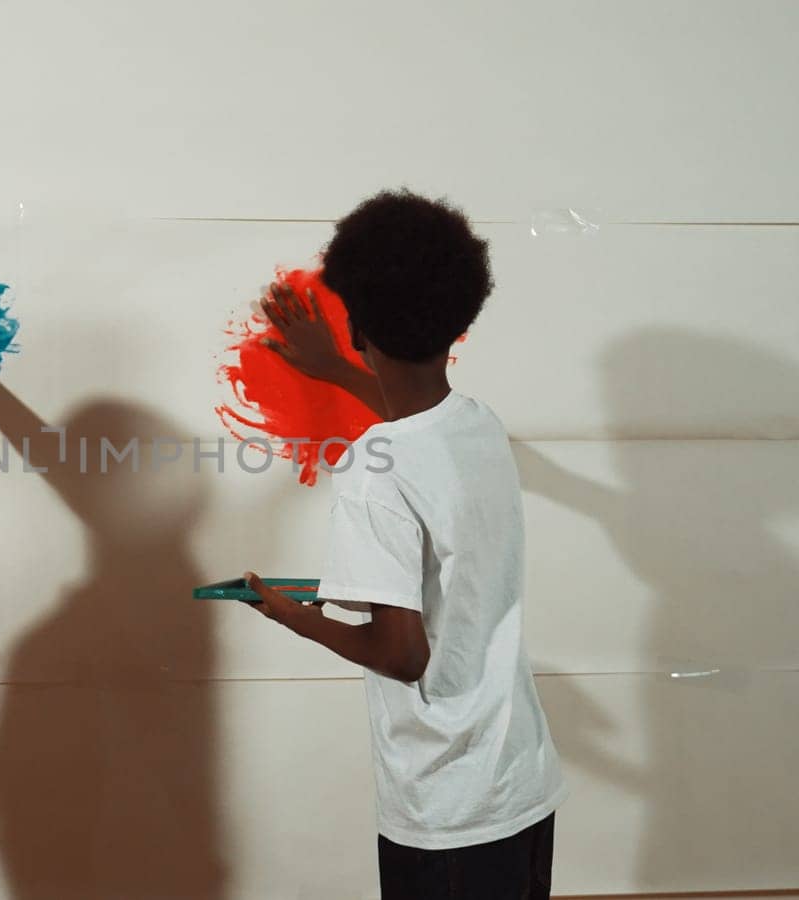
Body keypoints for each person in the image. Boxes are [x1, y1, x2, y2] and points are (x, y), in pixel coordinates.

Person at [245, 189, 567, 899]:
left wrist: (295, 616)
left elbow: (401, 653)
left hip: (446, 806)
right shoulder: (478, 426)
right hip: (520, 780)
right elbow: (415, 420)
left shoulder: (370, 468)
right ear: (457, 321)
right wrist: (333, 368)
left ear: (360, 326)